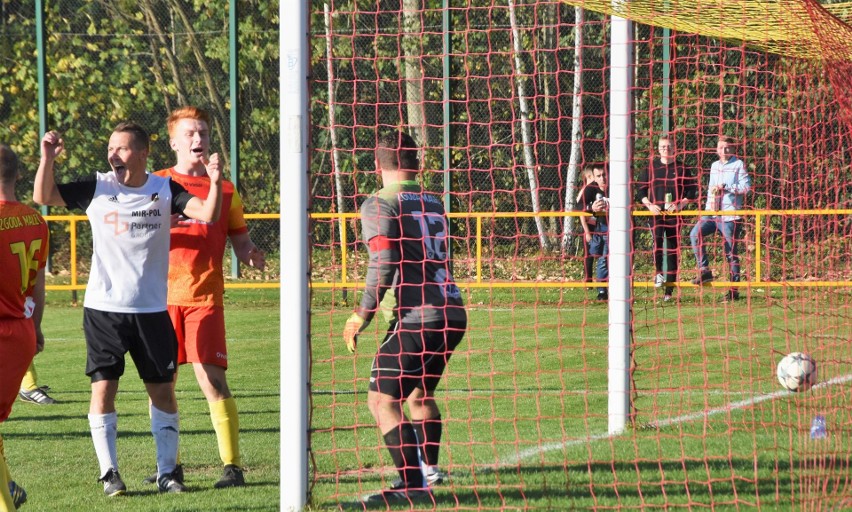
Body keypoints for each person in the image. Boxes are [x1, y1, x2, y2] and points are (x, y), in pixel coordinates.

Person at [34, 123, 223, 496]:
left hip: (152, 310)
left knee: (163, 394)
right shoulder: (98, 186)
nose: (112, 155)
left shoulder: (163, 188)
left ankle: (168, 472)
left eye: (120, 149)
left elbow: (207, 213)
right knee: (104, 389)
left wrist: (215, 180)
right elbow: (44, 195)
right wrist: (47, 159)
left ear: (142, 153)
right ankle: (110, 474)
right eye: (110, 148)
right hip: (104, 309)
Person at [342, 130, 467, 505]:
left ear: (378, 165)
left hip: (418, 317)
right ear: (418, 163)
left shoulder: (379, 203)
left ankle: (413, 485)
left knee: (381, 401)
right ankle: (429, 470)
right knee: (419, 393)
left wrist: (360, 313)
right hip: (452, 310)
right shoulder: (433, 200)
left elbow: (383, 261)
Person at [143, 106, 264, 489]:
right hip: (158, 299)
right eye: (191, 134)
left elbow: (239, 239)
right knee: (161, 384)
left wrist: (250, 253)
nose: (199, 140)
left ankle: (232, 466)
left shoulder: (225, 189)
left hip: (203, 296)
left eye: (204, 134)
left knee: (211, 379)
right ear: (174, 141)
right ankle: (169, 466)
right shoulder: (155, 182)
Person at [0, 143, 49, 510]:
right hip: (21, 330)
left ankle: (6, 497)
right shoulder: (35, 220)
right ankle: (7, 488)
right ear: (18, 175)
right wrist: (37, 328)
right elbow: (37, 286)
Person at [688, 136, 751, 302]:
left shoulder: (739, 164)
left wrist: (728, 188)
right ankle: (704, 270)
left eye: (727, 148)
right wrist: (709, 208)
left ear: (732, 149)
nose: (724, 151)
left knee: (730, 252)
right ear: (716, 149)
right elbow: (711, 189)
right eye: (721, 148)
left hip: (730, 215)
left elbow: (746, 188)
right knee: (695, 234)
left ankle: (733, 290)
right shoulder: (714, 166)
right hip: (712, 212)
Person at [636, 135, 698, 301]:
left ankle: (669, 291)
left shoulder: (682, 168)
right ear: (658, 149)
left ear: (674, 148)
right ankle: (658, 274)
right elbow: (640, 192)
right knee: (657, 243)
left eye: (669, 146)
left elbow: (691, 192)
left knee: (672, 249)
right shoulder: (650, 168)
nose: (666, 149)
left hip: (673, 216)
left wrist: (679, 205)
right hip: (656, 215)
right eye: (663, 146)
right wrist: (649, 205)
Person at [577, 166, 609, 301]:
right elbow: (578, 206)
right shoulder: (591, 189)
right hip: (601, 227)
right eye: (599, 176)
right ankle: (602, 290)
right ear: (594, 178)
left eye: (604, 175)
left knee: (609, 258)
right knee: (601, 258)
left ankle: (618, 286)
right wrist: (591, 208)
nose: (602, 178)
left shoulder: (617, 186)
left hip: (619, 227)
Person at [576, 166, 598, 283]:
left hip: (598, 224)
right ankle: (588, 279)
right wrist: (587, 232)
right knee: (588, 254)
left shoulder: (598, 188)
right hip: (588, 225)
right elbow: (581, 213)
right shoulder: (586, 190)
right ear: (590, 176)